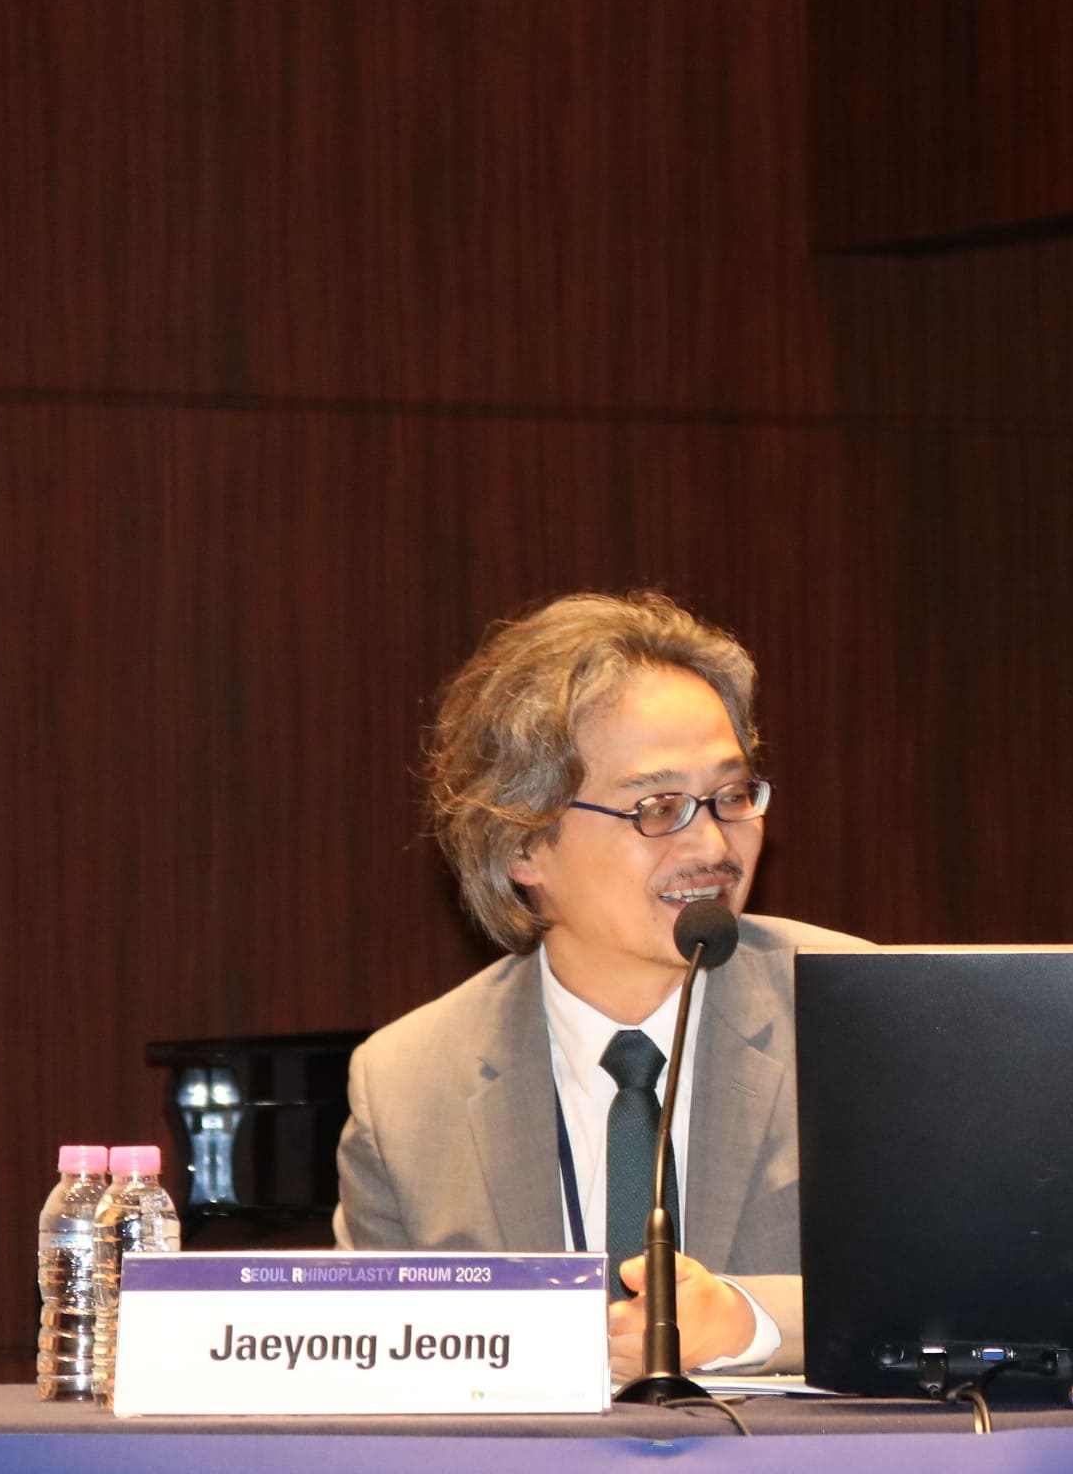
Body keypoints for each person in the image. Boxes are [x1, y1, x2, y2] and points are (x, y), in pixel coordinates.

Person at [335, 590, 864, 1379]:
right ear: (524, 844)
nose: (713, 846)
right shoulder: (409, 1087)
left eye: (731, 796)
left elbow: (976, 1296)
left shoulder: (860, 1017)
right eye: (658, 807)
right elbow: (369, 1366)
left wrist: (749, 1323)